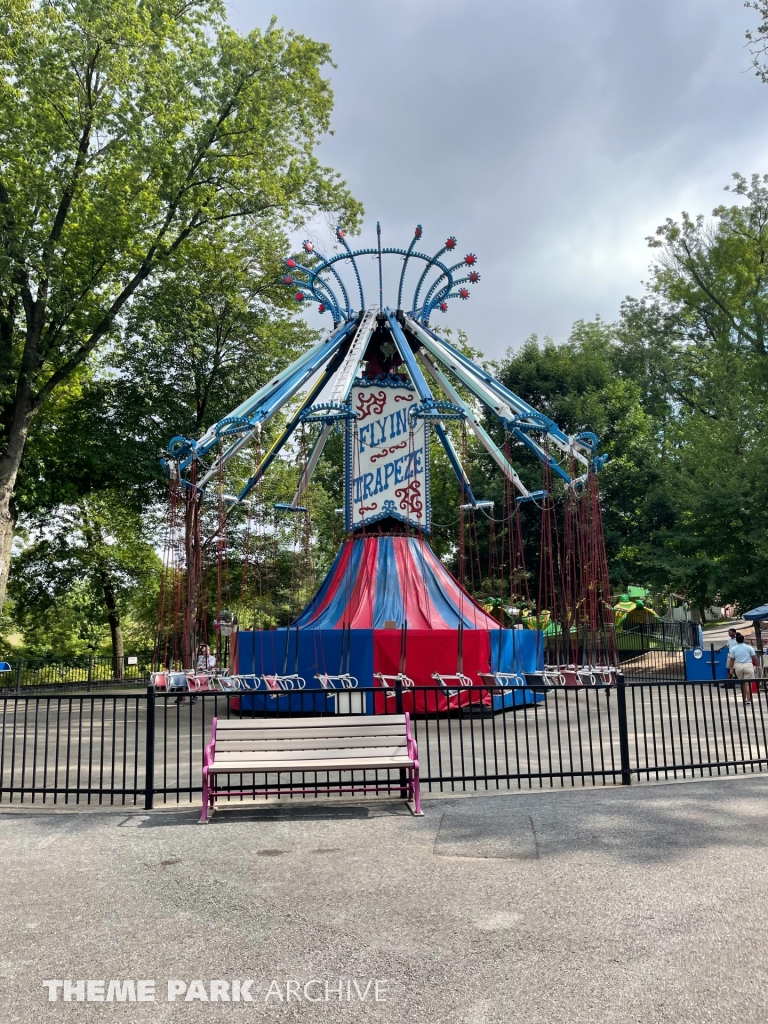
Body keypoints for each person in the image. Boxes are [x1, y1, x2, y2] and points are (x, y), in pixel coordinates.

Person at [727, 632, 757, 705]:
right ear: (743, 639)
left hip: (738, 666)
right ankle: (749, 700)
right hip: (748, 665)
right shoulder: (749, 647)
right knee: (748, 684)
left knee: (743, 683)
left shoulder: (733, 649)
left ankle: (744, 699)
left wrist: (731, 668)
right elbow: (754, 658)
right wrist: (758, 665)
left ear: (736, 640)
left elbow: (732, 660)